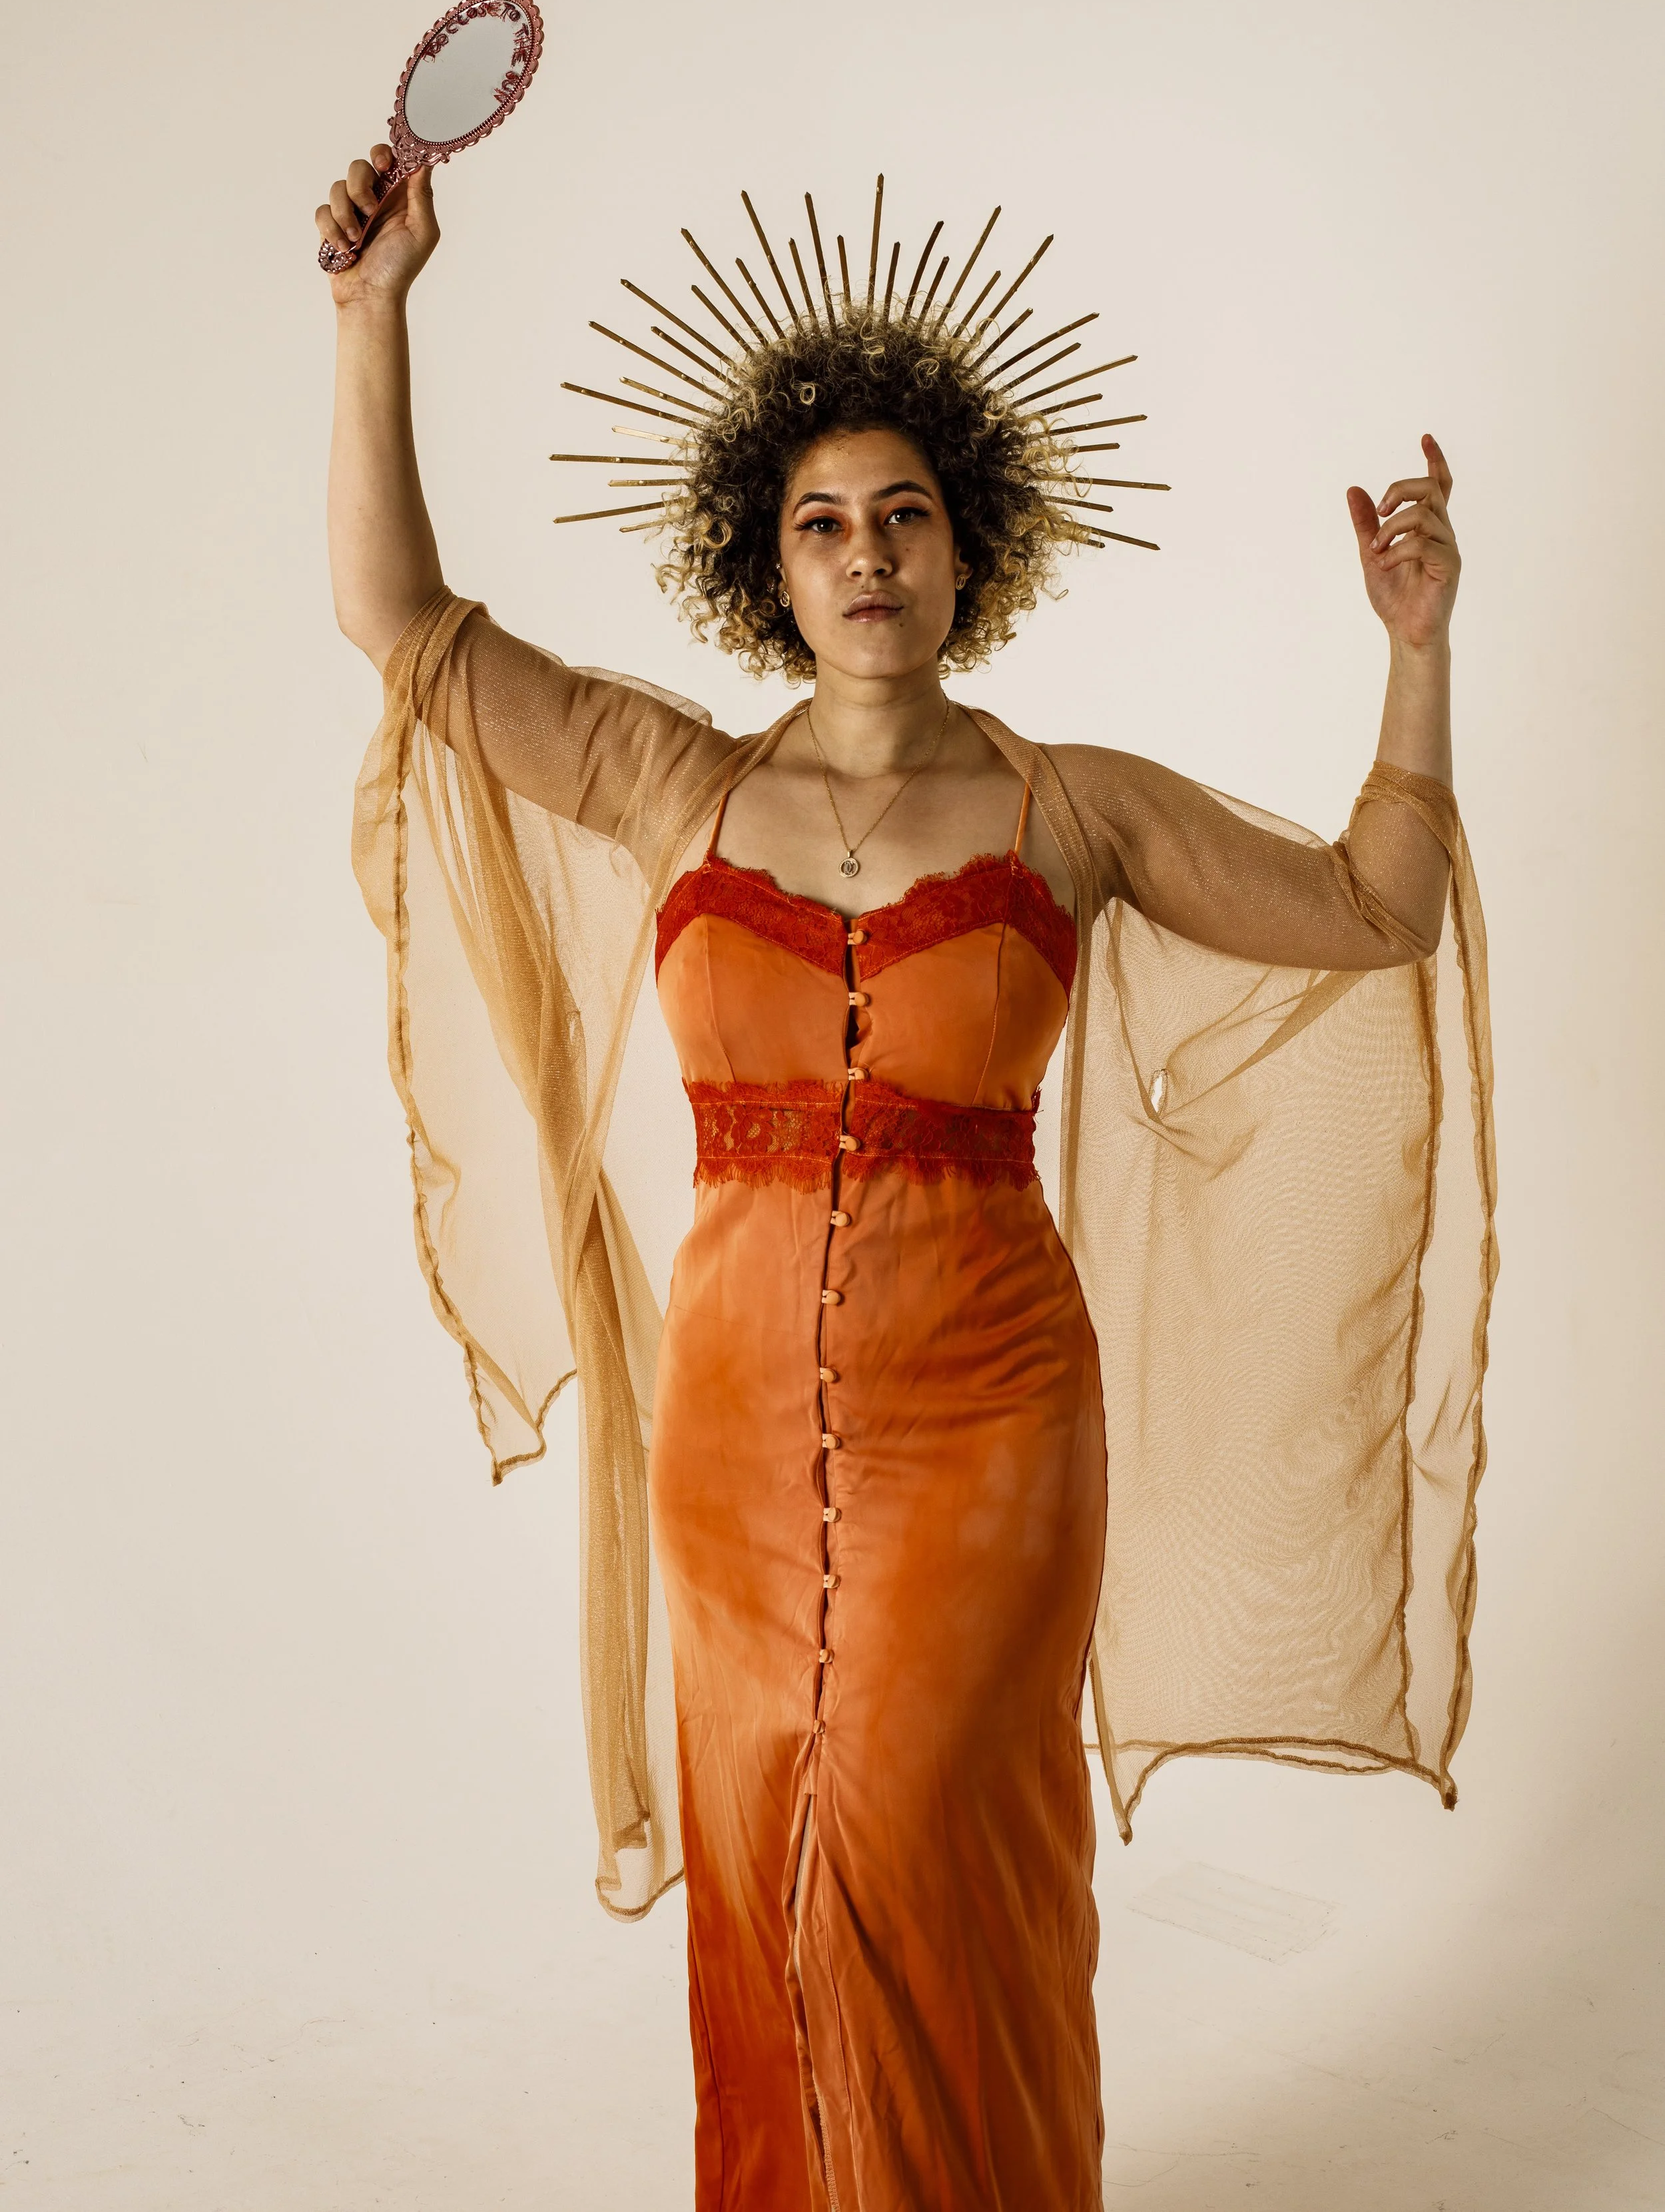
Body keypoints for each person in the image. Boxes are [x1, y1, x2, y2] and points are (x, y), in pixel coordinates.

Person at [318, 152, 1495, 2212]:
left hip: (993, 1422)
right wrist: (371, 315)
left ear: (973, 549)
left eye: (905, 517)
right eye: (820, 522)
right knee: (778, 1823)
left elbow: (1375, 908)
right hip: (737, 1430)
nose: (864, 554)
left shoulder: (1071, 811)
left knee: (928, 1820)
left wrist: (1415, 643)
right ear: (762, 561)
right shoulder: (669, 776)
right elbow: (395, 624)